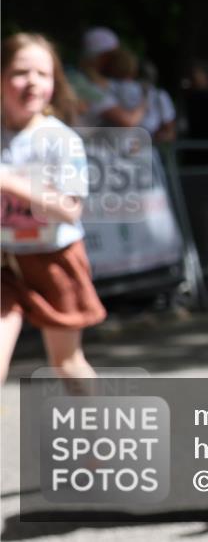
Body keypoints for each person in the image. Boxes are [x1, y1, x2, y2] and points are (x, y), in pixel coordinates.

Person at [1, 33, 106, 389]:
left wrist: (9, 182)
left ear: (54, 83)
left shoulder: (61, 139)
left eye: (42, 74)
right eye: (20, 72)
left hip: (55, 258)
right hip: (5, 261)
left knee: (67, 364)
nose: (32, 82)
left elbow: (70, 209)